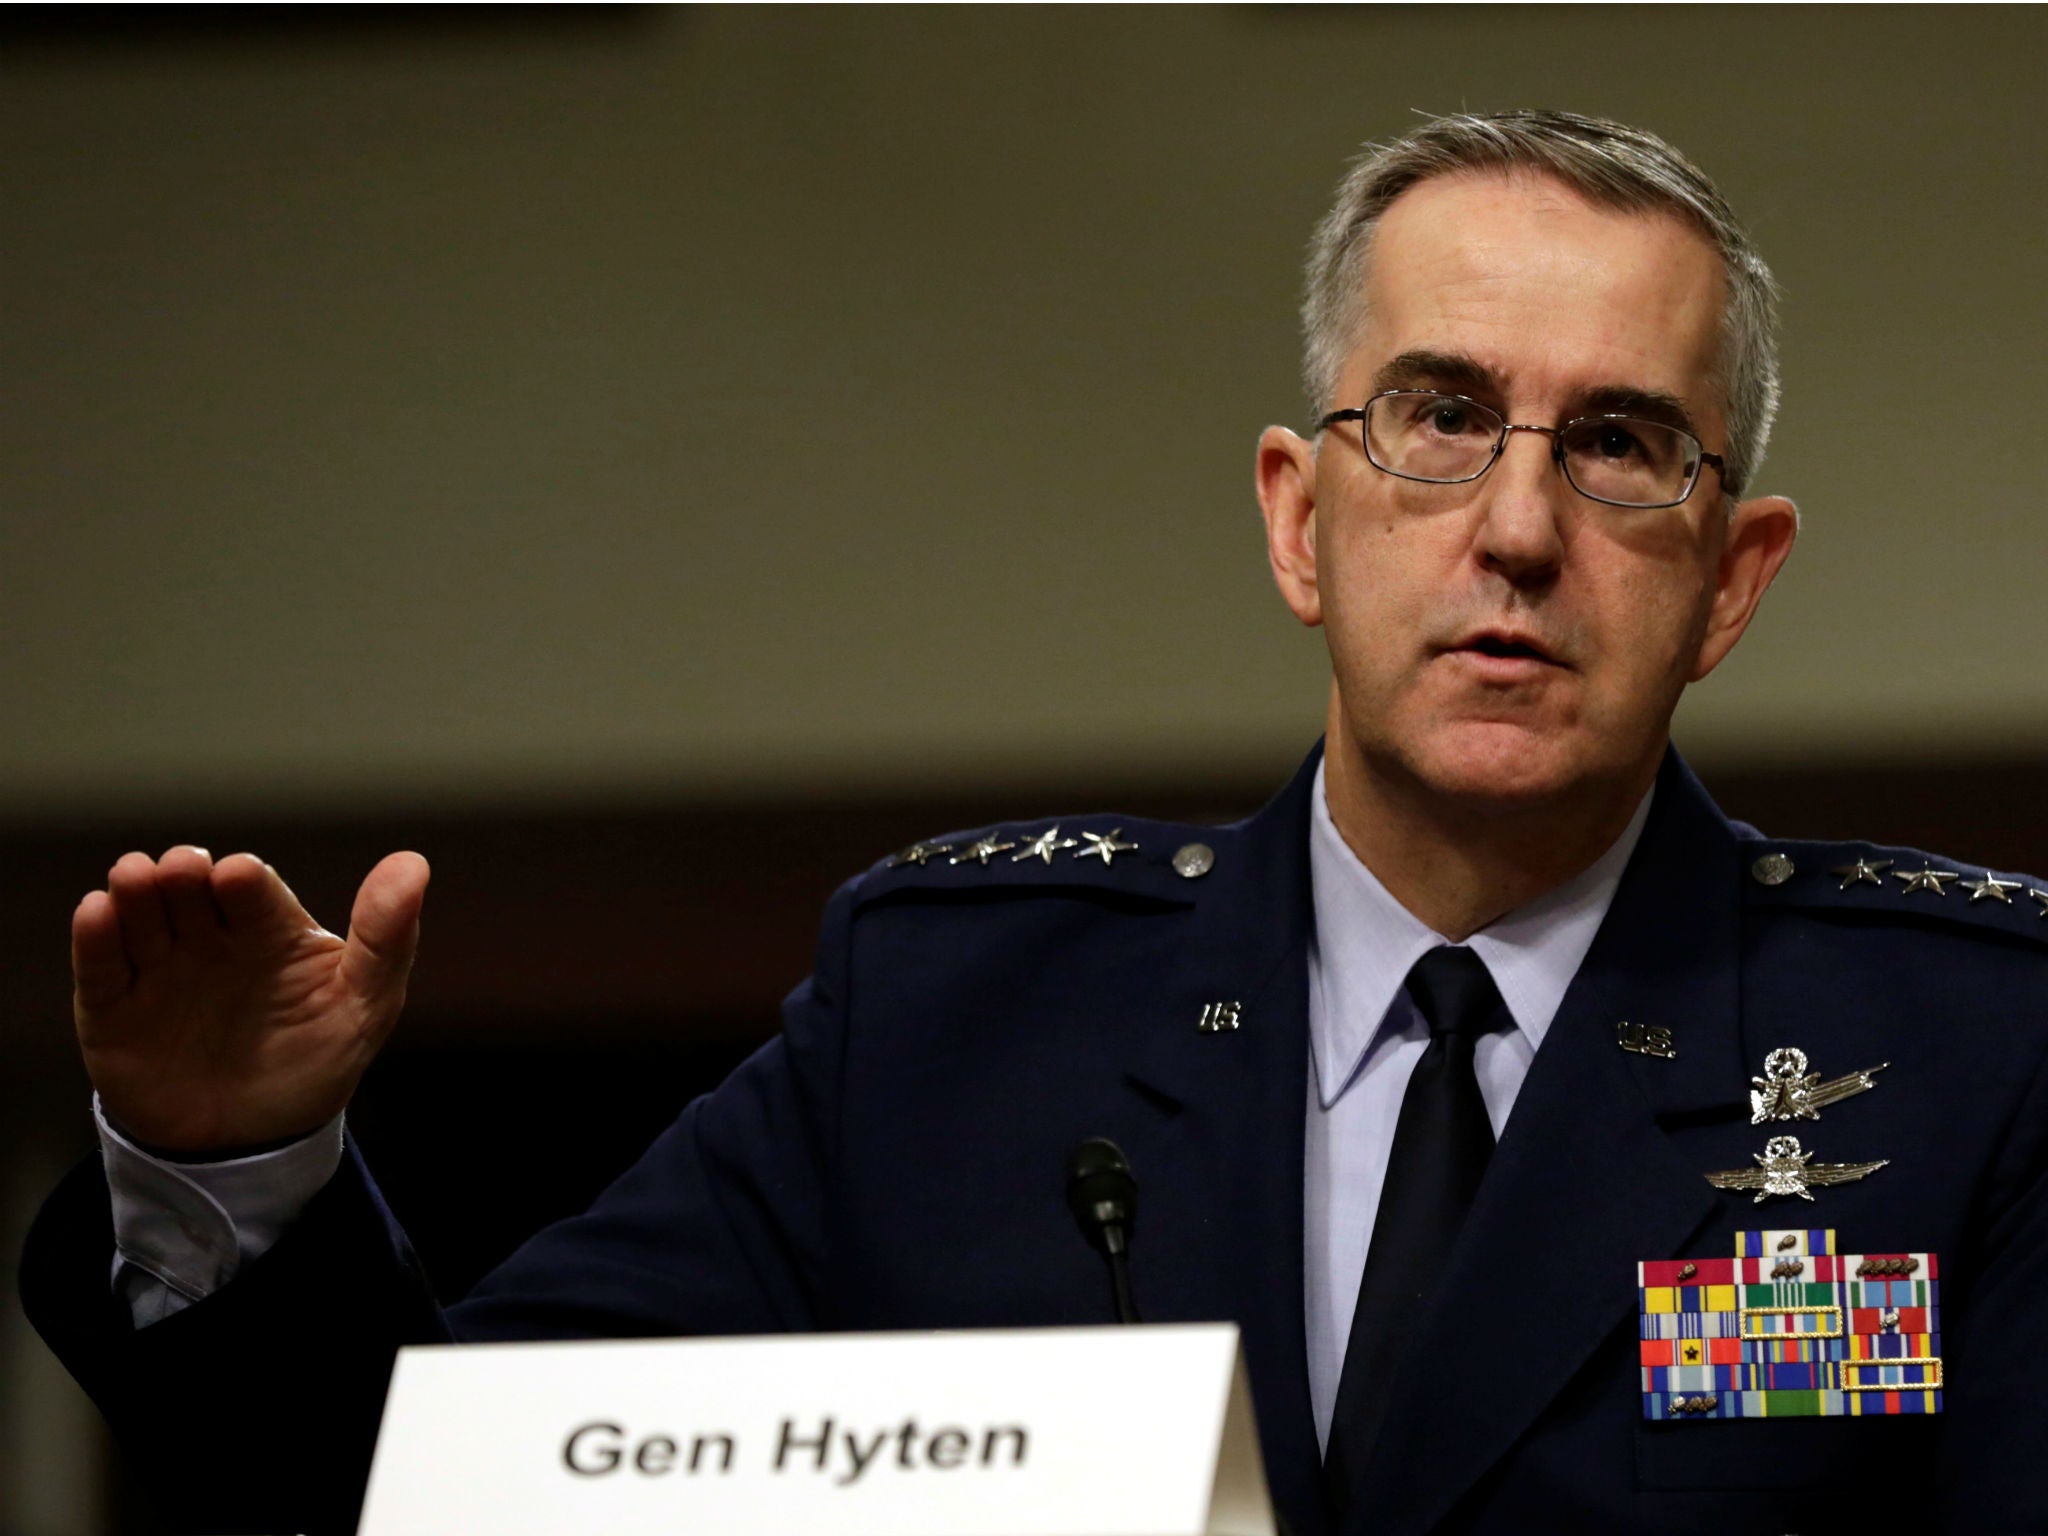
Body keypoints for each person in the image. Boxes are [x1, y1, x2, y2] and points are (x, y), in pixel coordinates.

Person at [22, 110, 2048, 1535]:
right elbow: (445, 1482)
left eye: (1617, 445)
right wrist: (242, 1167)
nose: (1514, 527)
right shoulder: (956, 1015)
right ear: (1295, 517)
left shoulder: (1965, 1046)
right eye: (1436, 419)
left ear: (1731, 576)